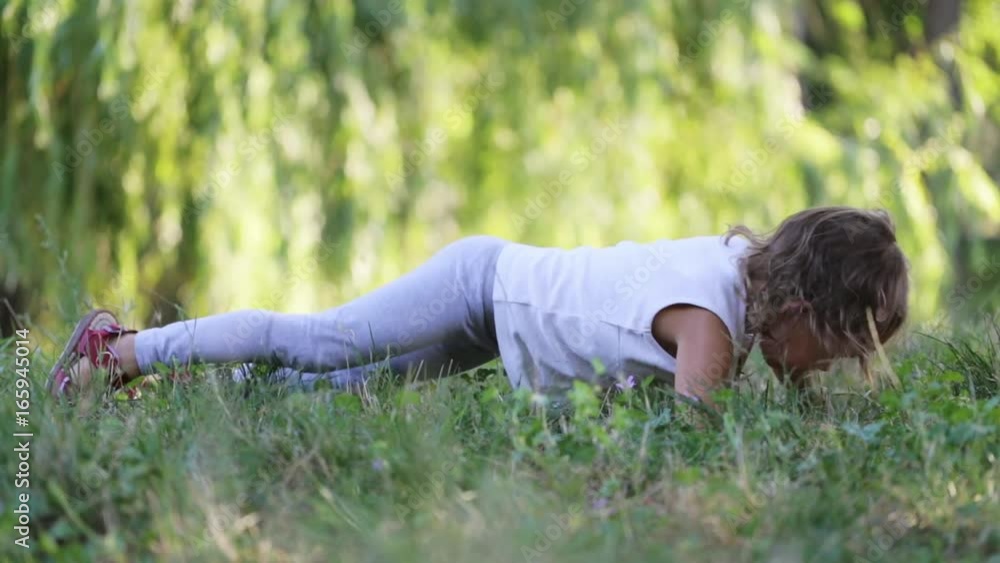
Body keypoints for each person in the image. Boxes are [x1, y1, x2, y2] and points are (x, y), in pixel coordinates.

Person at [48, 206, 909, 408]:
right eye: (837, 353)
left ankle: (214, 401)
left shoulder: (738, 273)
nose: (830, 371)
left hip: (502, 325)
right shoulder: (712, 328)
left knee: (353, 391)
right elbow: (698, 436)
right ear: (797, 303)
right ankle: (118, 352)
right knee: (317, 342)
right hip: (482, 286)